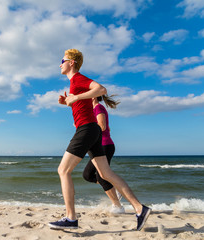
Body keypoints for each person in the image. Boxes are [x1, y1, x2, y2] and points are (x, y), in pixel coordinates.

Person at [48, 49, 151, 231]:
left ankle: (71, 218)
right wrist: (69, 102)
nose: (60, 64)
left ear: (71, 62)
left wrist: (77, 97)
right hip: (91, 129)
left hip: (87, 129)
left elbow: (101, 89)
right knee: (105, 174)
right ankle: (139, 208)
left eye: (62, 60)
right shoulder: (74, 84)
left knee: (63, 170)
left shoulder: (78, 78)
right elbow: (83, 106)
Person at [82, 95, 124, 214]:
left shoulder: (98, 108)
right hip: (99, 146)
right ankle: (114, 187)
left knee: (101, 176)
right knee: (88, 175)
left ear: (94, 97)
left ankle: (117, 206)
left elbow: (102, 126)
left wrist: (88, 130)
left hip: (105, 145)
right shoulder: (93, 110)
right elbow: (107, 128)